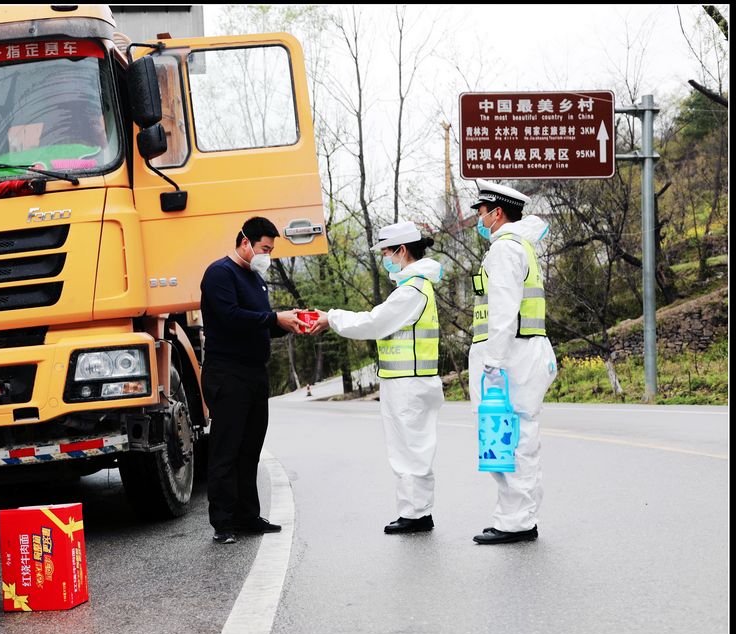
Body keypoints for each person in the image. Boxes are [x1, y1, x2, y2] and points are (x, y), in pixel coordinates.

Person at [308, 221, 444, 534]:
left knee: (409, 449)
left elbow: (373, 322)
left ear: (402, 250)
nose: (384, 259)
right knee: (411, 448)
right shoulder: (415, 287)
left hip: (409, 383)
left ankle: (416, 515)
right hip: (410, 380)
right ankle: (416, 512)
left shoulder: (411, 291)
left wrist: (332, 318)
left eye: (386, 253)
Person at [199, 216, 307, 544]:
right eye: (265, 248)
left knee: (250, 449)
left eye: (271, 250)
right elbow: (231, 318)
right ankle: (223, 522)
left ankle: (247, 517)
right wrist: (274, 317)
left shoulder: (255, 279)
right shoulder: (220, 274)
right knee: (226, 449)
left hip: (254, 374)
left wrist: (289, 323)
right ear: (245, 242)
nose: (267, 255)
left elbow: (260, 324)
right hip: (227, 372)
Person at [467, 179, 557, 544]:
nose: (480, 219)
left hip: (512, 357)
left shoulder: (505, 249)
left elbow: (503, 311)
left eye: (482, 212)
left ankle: (517, 522)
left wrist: (493, 362)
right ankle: (515, 516)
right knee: (514, 438)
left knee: (512, 438)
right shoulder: (521, 247)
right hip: (521, 353)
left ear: (497, 212)